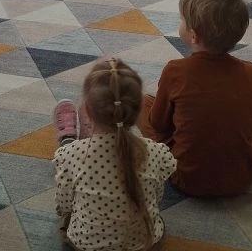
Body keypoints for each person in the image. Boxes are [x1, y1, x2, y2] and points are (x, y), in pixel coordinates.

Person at [138, 0, 252, 197]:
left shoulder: (175, 70)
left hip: (187, 178)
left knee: (143, 103)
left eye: (182, 19)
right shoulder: (250, 71)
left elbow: (158, 124)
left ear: (193, 36)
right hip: (244, 176)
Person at [52, 58, 177, 251]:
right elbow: (157, 195)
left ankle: (69, 138)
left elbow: (64, 205)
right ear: (139, 113)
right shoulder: (155, 151)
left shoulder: (71, 155)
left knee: (66, 221)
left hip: (87, 247)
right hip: (145, 246)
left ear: (87, 111)